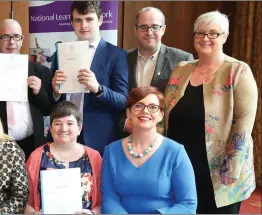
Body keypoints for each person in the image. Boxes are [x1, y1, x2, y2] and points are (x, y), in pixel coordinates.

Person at [163, 11, 257, 214]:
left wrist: (232, 167)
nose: (205, 38)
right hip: (181, 166)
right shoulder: (181, 69)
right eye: (200, 33)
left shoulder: (238, 71)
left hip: (220, 172)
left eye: (213, 33)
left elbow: (243, 123)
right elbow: (165, 112)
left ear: (225, 36)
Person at [101, 86, 197, 214]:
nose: (145, 111)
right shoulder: (111, 151)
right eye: (138, 106)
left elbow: (187, 204)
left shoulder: (175, 152)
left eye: (152, 107)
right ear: (128, 112)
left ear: (161, 115)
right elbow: (109, 200)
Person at [50, 1, 129, 154]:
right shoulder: (60, 54)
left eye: (89, 19)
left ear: (100, 20)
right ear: (72, 23)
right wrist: (55, 92)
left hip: (100, 139)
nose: (83, 25)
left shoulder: (116, 55)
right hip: (64, 135)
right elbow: (50, 102)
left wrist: (98, 89)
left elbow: (123, 101)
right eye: (78, 20)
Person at [0, 19, 53, 158]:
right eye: (5, 37)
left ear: (22, 40)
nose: (11, 42)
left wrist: (39, 92)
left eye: (16, 37)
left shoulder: (39, 71)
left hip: (31, 145)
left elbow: (47, 109)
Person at [122, 7, 194, 134]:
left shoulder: (182, 60)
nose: (149, 32)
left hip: (166, 137)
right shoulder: (122, 58)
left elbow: (185, 105)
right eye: (143, 27)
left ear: (163, 29)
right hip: (128, 135)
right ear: (136, 30)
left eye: (155, 27)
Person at [25, 101, 102, 214]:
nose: (63, 128)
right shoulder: (36, 156)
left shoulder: (95, 157)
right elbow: (23, 199)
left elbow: (105, 199)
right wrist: (33, 213)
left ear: (79, 128)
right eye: (57, 124)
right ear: (50, 129)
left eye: (70, 123)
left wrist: (93, 213)